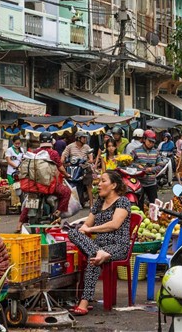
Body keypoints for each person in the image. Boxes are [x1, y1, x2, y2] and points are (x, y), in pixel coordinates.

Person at [66, 170, 130, 315]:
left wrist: (90, 229)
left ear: (113, 185)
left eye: (103, 181)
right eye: (99, 181)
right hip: (99, 247)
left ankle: (84, 302)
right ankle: (98, 253)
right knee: (73, 233)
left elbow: (114, 224)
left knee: (93, 259)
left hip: (118, 247)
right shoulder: (99, 203)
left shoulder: (123, 201)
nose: (99, 185)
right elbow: (86, 225)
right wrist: (83, 228)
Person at [16, 131, 72, 232]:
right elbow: (61, 168)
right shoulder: (53, 153)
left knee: (29, 202)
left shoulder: (34, 152)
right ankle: (58, 212)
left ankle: (19, 224)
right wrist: (67, 175)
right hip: (48, 186)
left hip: (33, 185)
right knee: (67, 192)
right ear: (51, 141)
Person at [132, 130, 165, 208]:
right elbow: (130, 163)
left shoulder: (156, 152)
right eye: (149, 141)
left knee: (154, 206)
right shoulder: (136, 151)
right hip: (139, 184)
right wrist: (138, 166)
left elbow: (161, 166)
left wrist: (152, 169)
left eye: (153, 142)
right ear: (144, 139)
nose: (151, 144)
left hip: (152, 183)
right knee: (139, 206)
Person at [62, 131, 95, 204]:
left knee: (88, 183)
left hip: (85, 168)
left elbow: (91, 158)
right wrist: (63, 161)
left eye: (85, 137)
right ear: (78, 138)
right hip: (73, 168)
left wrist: (89, 160)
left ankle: (91, 204)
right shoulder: (70, 146)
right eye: (83, 137)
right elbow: (64, 155)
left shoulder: (87, 147)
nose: (85, 139)